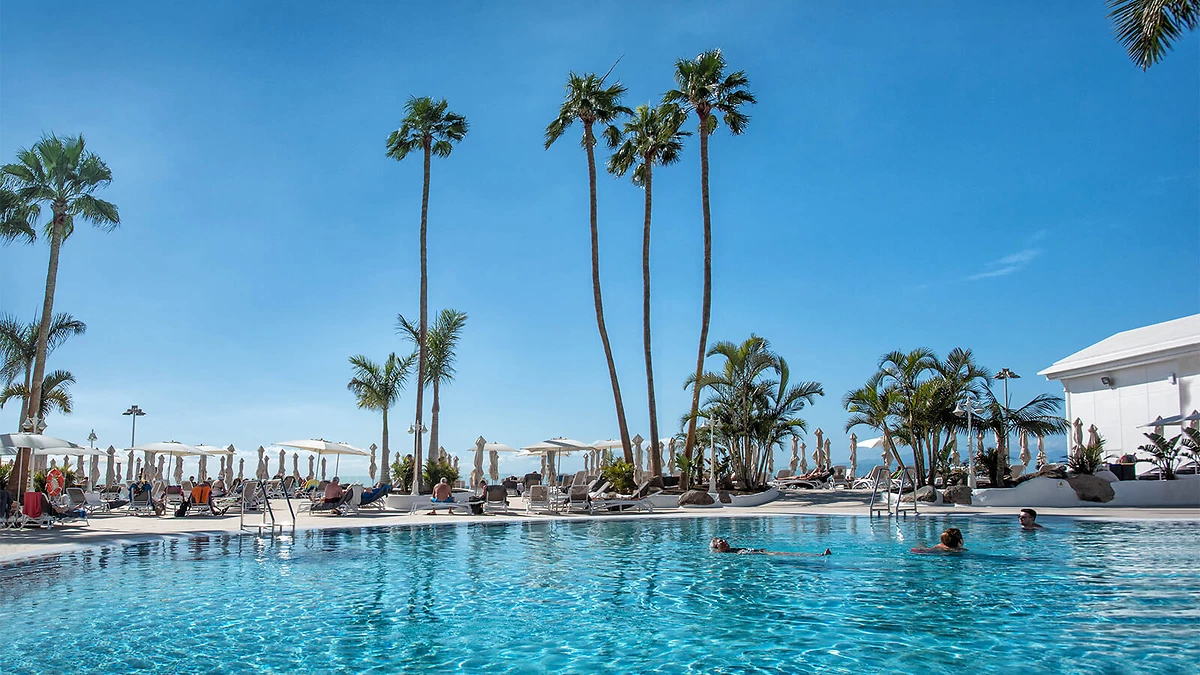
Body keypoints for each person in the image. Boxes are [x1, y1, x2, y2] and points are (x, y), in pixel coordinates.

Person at [709, 538, 831, 556]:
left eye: (724, 539)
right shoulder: (724, 555)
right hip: (757, 554)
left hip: (758, 552)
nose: (724, 541)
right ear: (716, 547)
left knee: (781, 553)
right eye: (720, 541)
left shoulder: (731, 550)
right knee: (781, 554)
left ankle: (817, 555)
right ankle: (818, 555)